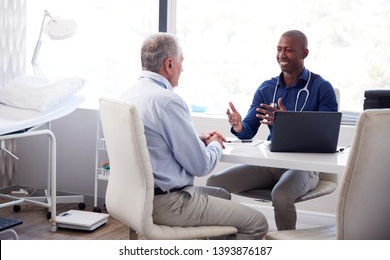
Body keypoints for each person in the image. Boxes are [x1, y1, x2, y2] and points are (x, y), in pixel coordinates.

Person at [121, 32, 268, 240]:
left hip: (135, 200)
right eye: (181, 62)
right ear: (169, 64)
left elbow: (151, 144)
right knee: (257, 222)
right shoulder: (167, 101)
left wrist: (195, 140)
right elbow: (201, 166)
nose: (183, 68)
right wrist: (215, 143)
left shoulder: (128, 96)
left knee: (222, 195)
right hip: (170, 204)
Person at [207, 30, 338, 231]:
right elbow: (248, 130)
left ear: (304, 53)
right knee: (214, 183)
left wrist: (288, 122)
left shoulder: (322, 88)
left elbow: (326, 137)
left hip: (304, 166)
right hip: (271, 163)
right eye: (279, 49)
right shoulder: (266, 88)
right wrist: (238, 125)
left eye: (289, 50)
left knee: (281, 195)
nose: (282, 55)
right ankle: (223, 241)